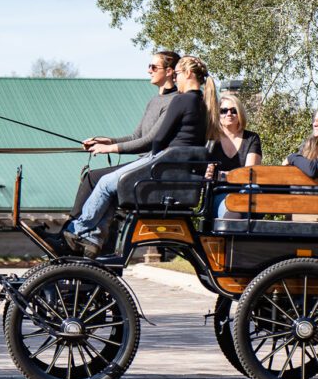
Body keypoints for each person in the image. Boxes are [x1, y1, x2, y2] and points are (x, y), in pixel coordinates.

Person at [60, 55, 220, 258]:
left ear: (187, 73)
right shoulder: (200, 102)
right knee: (110, 184)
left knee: (105, 183)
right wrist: (109, 142)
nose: (178, 79)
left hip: (164, 165)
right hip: (173, 166)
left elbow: (158, 139)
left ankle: (79, 232)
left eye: (178, 74)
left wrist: (136, 155)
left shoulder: (182, 99)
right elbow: (146, 137)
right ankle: (93, 239)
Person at [70, 51, 180, 219]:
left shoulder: (174, 101)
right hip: (144, 163)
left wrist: (109, 149)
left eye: (153, 67)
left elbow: (149, 142)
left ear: (169, 71)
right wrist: (107, 141)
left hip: (154, 167)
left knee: (92, 178)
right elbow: (136, 136)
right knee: (92, 177)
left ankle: (74, 230)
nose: (148, 70)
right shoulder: (154, 101)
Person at [208, 93, 262, 218]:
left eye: (233, 110)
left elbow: (249, 174)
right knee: (232, 208)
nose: (229, 114)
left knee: (251, 189)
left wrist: (220, 175)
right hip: (220, 192)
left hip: (246, 192)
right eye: (224, 111)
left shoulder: (251, 138)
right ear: (218, 114)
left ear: (240, 113)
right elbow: (206, 173)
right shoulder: (211, 140)